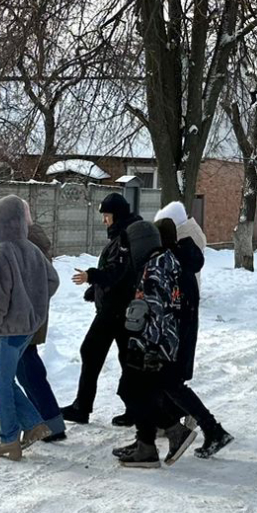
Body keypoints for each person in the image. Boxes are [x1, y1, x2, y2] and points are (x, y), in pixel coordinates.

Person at [112, 215, 234, 463]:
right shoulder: (171, 262)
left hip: (161, 343)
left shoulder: (160, 266)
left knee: (144, 389)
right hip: (169, 342)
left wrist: (151, 347)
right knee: (157, 390)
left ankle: (179, 433)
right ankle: (155, 438)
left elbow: (159, 309)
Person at [0, 211, 66, 442]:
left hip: (16, 323)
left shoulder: (13, 247)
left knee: (13, 376)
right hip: (29, 321)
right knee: (7, 375)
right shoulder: (29, 243)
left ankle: (34, 429)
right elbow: (37, 284)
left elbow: (3, 293)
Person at [60, 193, 141, 425]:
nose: (104, 220)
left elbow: (118, 272)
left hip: (115, 310)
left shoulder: (125, 238)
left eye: (106, 215)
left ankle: (82, 407)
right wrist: (95, 289)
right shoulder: (122, 235)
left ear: (117, 215)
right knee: (127, 358)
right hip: (118, 308)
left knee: (91, 351)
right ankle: (134, 409)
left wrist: (91, 276)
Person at [116, 221, 192, 469]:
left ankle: (169, 434)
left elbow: (154, 310)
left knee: (131, 390)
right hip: (164, 341)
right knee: (143, 393)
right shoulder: (167, 260)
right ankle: (145, 442)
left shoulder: (154, 268)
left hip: (151, 342)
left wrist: (148, 348)